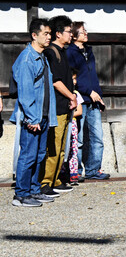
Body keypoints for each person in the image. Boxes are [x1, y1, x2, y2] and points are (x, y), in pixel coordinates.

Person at [11, 18, 56, 207]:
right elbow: (26, 91)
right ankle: (21, 195)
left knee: (38, 155)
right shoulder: (28, 58)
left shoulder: (43, 57)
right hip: (33, 116)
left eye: (50, 33)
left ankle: (34, 190)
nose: (49, 37)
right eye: (45, 33)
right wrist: (32, 117)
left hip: (43, 114)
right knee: (28, 155)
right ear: (34, 35)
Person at [66, 22, 110, 180]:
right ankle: (75, 170)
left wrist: (99, 96)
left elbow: (94, 77)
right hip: (80, 98)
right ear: (75, 35)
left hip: (94, 99)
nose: (86, 33)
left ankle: (93, 169)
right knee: (79, 138)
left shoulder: (89, 51)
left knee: (98, 137)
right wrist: (88, 92)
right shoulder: (70, 52)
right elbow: (74, 79)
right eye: (83, 31)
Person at [39, 15, 77, 197]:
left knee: (62, 146)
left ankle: (56, 179)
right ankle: (46, 182)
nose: (72, 35)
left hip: (65, 105)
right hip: (56, 105)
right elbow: (55, 81)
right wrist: (72, 96)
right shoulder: (51, 53)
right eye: (69, 32)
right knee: (53, 146)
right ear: (58, 33)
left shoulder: (62, 51)